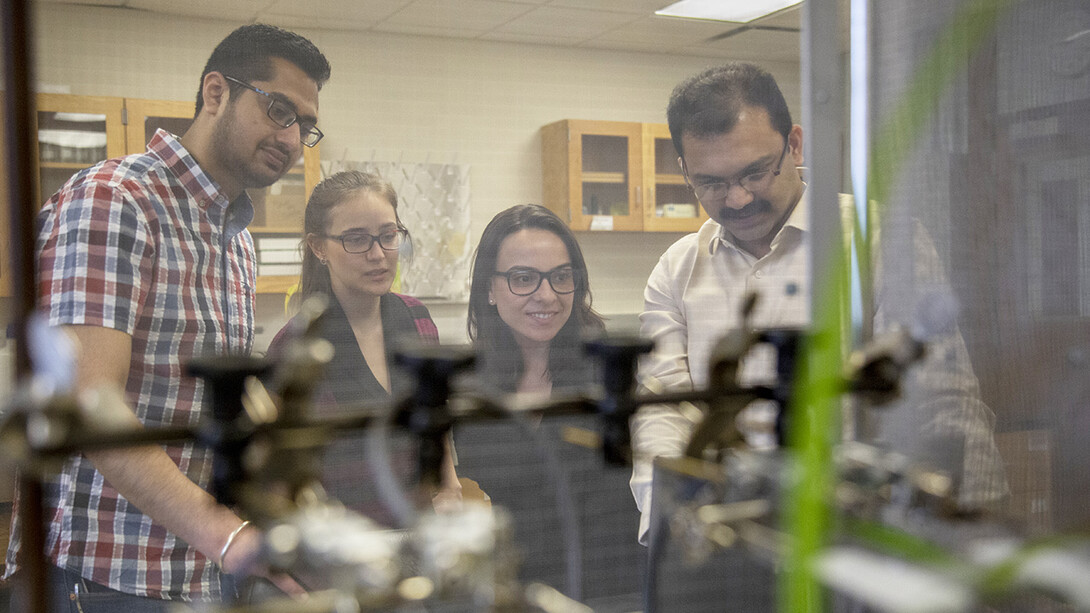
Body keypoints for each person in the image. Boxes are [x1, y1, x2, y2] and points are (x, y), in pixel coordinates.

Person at [5, 24, 330, 609]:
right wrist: (228, 537)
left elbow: (204, 398)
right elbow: (88, 404)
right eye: (279, 109)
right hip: (107, 577)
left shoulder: (236, 242)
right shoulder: (115, 199)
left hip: (194, 573)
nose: (290, 137)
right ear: (215, 92)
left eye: (304, 126)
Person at [629, 62, 1008, 543]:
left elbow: (940, 403)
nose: (739, 198)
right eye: (712, 183)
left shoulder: (878, 242)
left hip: (859, 532)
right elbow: (661, 413)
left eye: (755, 172)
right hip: (730, 537)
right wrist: (672, 520)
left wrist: (973, 538)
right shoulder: (676, 270)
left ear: (794, 145)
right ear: (684, 170)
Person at [266, 170, 462, 523]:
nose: (379, 255)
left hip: (418, 532)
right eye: (357, 240)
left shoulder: (417, 319)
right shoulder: (296, 347)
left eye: (388, 236)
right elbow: (280, 478)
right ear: (318, 246)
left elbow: (437, 418)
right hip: (345, 545)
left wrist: (449, 488)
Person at [467, 204, 605, 396]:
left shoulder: (608, 373)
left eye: (561, 277)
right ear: (490, 288)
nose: (547, 296)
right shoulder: (466, 384)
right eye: (524, 278)